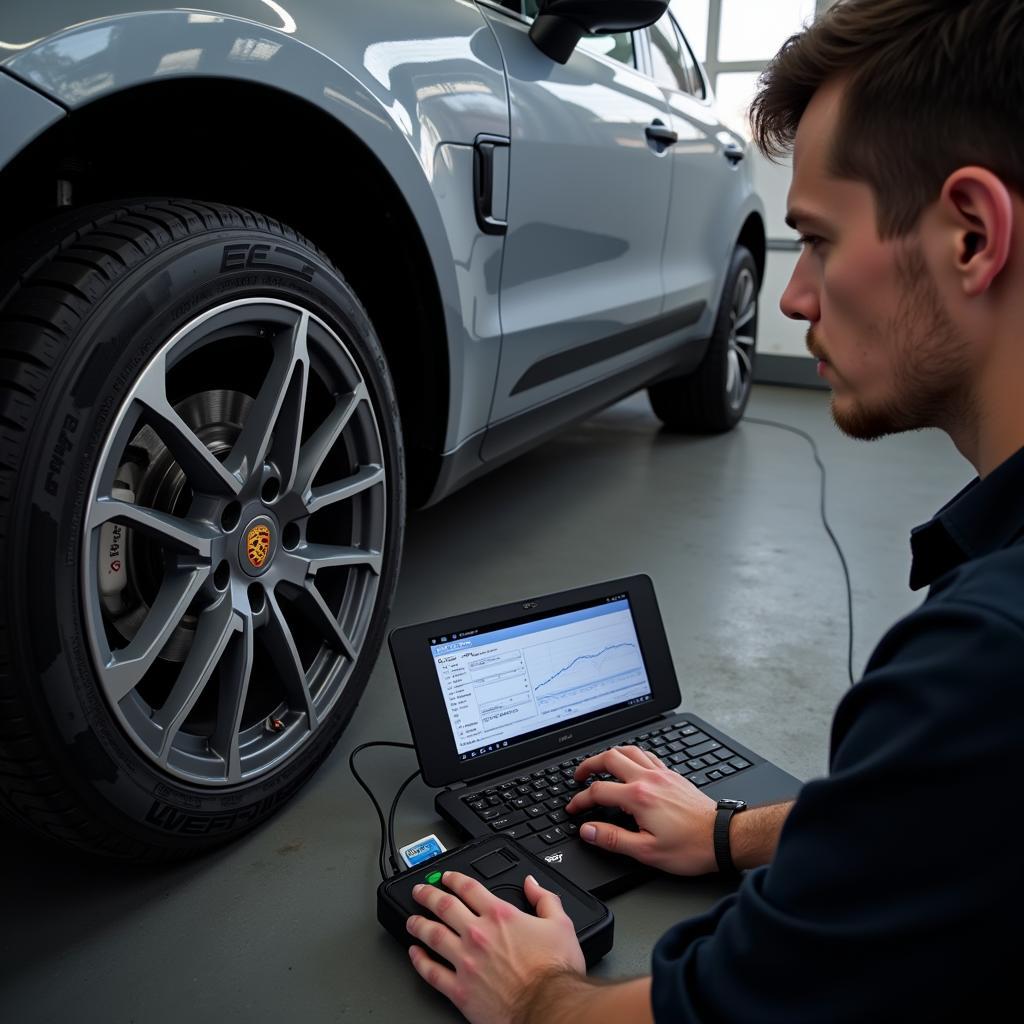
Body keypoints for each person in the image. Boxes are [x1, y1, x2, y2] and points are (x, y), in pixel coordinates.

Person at [402, 1, 1024, 1020]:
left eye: (817, 241)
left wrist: (537, 992)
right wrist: (731, 832)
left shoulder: (982, 667)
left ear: (969, 234)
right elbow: (937, 816)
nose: (790, 298)